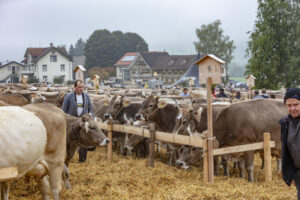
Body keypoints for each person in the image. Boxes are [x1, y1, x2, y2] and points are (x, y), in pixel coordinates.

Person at [62, 79, 94, 163]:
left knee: (84, 139)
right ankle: (67, 157)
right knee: (69, 140)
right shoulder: (68, 96)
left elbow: (90, 108)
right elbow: (63, 110)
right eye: (79, 87)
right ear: (75, 87)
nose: (81, 88)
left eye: (82, 87)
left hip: (82, 122)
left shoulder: (86, 96)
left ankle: (82, 160)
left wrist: (91, 116)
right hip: (71, 123)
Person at [280, 88, 300, 199]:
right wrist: (290, 173)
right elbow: (286, 149)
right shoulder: (285, 123)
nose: (292, 108)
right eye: (289, 105)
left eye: (296, 104)